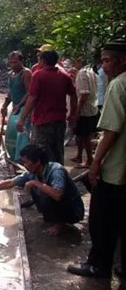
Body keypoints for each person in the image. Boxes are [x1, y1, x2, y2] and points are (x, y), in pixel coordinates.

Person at [67, 39, 126, 284]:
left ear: (121, 60)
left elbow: (112, 129)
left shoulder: (118, 85)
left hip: (116, 167)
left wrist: (96, 162)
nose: (103, 66)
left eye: (106, 60)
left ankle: (98, 265)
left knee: (102, 219)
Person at [0, 144, 84, 235]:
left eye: (26, 162)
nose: (24, 164)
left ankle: (60, 223)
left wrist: (36, 183)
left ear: (37, 162)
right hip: (59, 204)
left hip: (73, 210)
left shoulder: (56, 170)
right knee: (36, 188)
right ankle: (54, 219)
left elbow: (58, 194)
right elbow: (9, 183)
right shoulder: (32, 172)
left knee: (41, 189)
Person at [17, 50, 78, 165]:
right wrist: (73, 114)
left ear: (43, 61)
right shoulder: (65, 77)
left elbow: (32, 98)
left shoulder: (38, 75)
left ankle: (45, 178)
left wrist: (22, 118)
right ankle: (58, 175)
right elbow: (74, 96)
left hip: (42, 120)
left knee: (41, 151)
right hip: (60, 120)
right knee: (58, 150)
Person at [1, 51, 32, 162]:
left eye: (15, 62)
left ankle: (23, 159)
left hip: (25, 108)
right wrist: (4, 105)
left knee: (22, 133)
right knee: (11, 133)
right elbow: (11, 92)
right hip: (15, 107)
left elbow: (29, 93)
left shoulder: (26, 73)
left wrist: (20, 105)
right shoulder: (11, 74)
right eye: (11, 63)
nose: (13, 65)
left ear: (21, 61)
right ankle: (15, 157)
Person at [69, 57, 100, 168]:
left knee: (85, 136)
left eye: (74, 61)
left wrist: (77, 112)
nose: (72, 64)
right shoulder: (91, 72)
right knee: (81, 135)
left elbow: (84, 94)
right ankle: (79, 155)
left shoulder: (82, 73)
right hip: (91, 109)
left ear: (80, 61)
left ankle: (89, 160)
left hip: (84, 111)